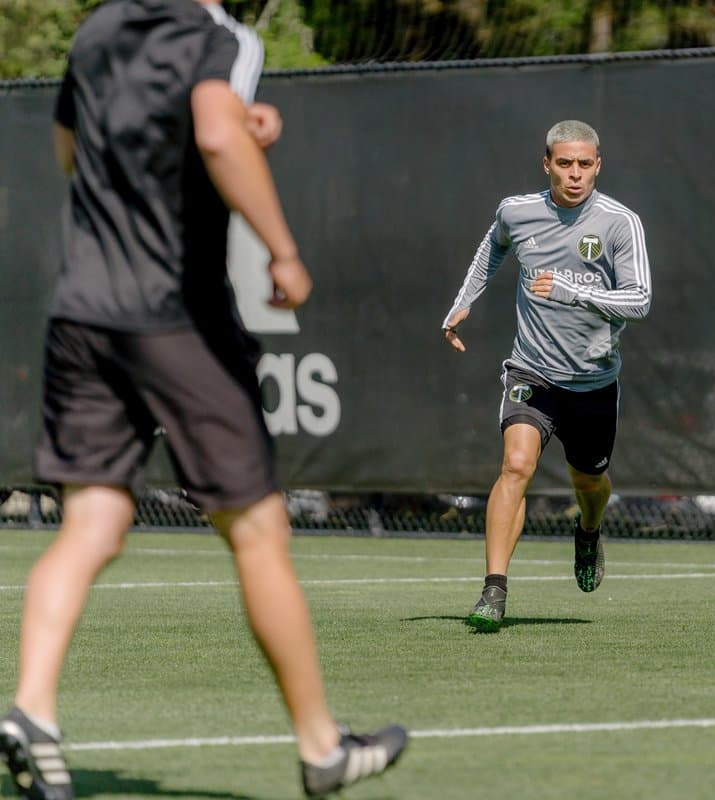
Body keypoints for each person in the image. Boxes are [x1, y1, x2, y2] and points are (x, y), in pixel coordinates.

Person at [0, 2, 407, 798]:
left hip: (81, 310)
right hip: (174, 316)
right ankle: (322, 748)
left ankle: (31, 708)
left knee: (93, 520)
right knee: (258, 528)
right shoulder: (220, 37)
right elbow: (214, 132)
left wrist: (200, 132)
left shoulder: (95, 31)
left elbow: (71, 154)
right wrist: (283, 250)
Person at [442, 119, 652, 632]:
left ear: (598, 165)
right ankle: (494, 590)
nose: (575, 174)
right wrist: (463, 303)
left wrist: (569, 290)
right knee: (515, 465)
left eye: (584, 164)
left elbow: (639, 300)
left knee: (591, 481)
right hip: (532, 370)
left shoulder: (619, 223)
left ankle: (588, 530)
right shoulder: (518, 212)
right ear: (547, 164)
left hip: (593, 382)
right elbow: (492, 248)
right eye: (565, 163)